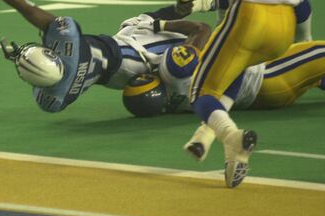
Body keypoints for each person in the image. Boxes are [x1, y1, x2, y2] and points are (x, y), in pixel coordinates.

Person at [174, 0, 325, 188]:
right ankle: (221, 146)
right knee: (239, 65)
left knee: (201, 92)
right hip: (284, 23)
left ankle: (231, 138)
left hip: (248, 17)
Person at [0, 0, 213, 113]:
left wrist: (23, 61)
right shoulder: (70, 40)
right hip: (140, 54)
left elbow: (45, 75)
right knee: (166, 30)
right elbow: (33, 11)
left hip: (132, 69)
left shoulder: (53, 98)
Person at [120, 18, 325, 161]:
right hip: (268, 74)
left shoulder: (173, 106)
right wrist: (160, 24)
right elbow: (202, 29)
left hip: (262, 99)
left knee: (314, 76)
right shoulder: (175, 71)